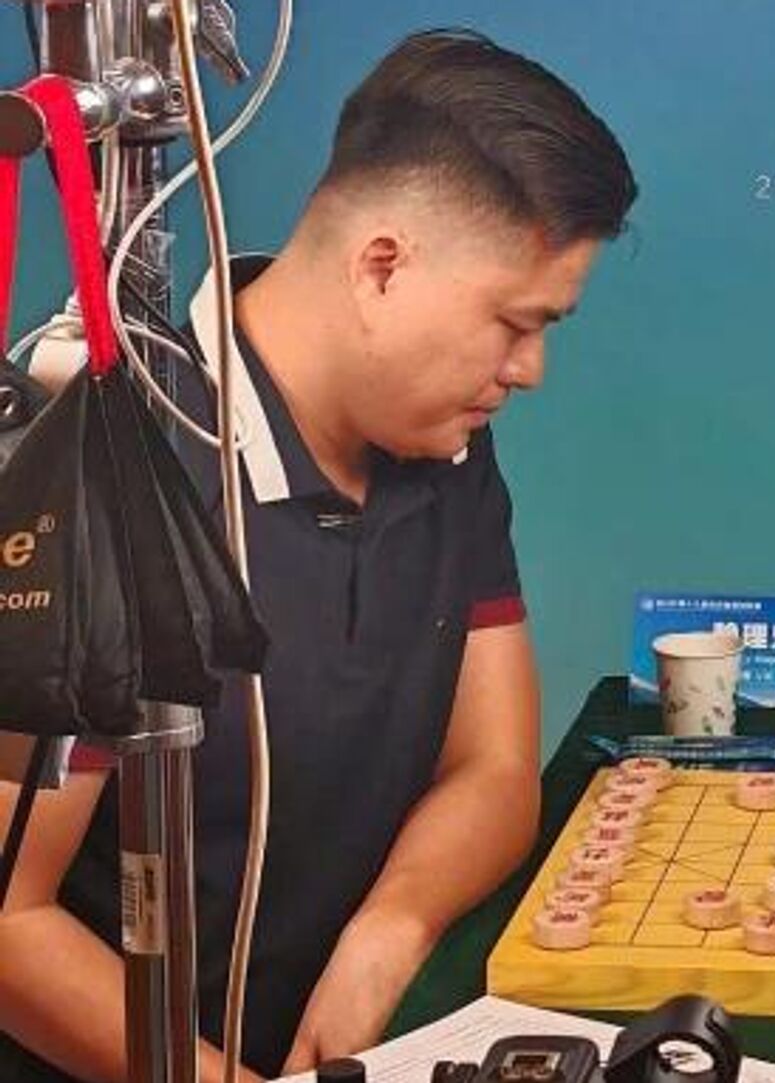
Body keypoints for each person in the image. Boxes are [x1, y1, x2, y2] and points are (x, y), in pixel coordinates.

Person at [0, 28, 636, 1081]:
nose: (531, 369)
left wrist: (391, 928)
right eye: (516, 323)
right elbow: (9, 917)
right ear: (382, 266)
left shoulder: (447, 450)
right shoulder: (113, 468)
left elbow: (492, 769)